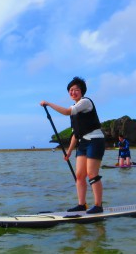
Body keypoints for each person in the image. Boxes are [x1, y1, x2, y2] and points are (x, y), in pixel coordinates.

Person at [40, 77, 106, 214]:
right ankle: (82, 204)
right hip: (83, 143)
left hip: (95, 141)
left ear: (82, 91)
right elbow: (76, 134)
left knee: (92, 174)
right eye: (70, 90)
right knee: (80, 175)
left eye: (76, 90)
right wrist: (69, 152)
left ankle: (98, 206)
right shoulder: (74, 113)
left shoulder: (85, 102)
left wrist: (48, 104)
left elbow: (66, 112)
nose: (73, 92)